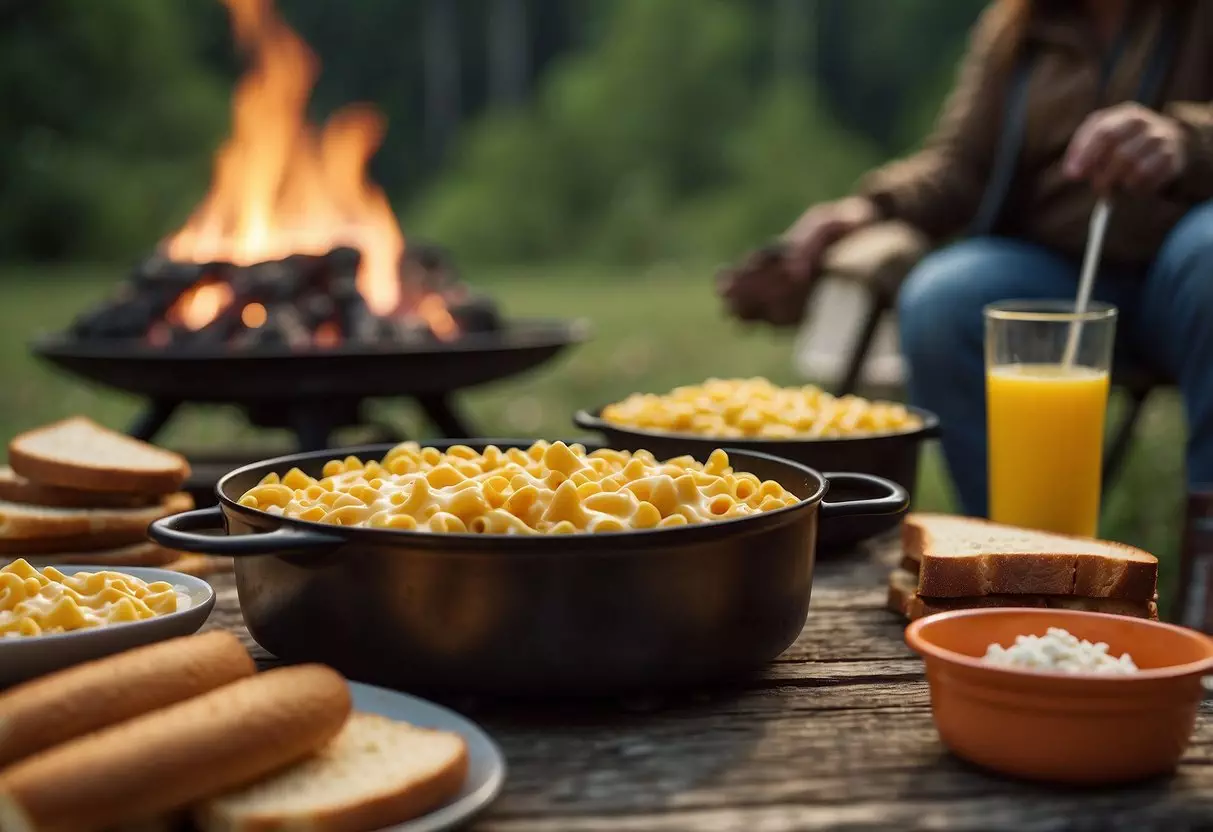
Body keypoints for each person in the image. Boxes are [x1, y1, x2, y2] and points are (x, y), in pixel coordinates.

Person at [719, 0, 1213, 518]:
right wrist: (868, 207)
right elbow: (959, 166)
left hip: (1185, 273)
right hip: (1054, 272)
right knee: (943, 298)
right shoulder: (1020, 25)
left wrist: (1186, 140)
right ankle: (1018, 554)